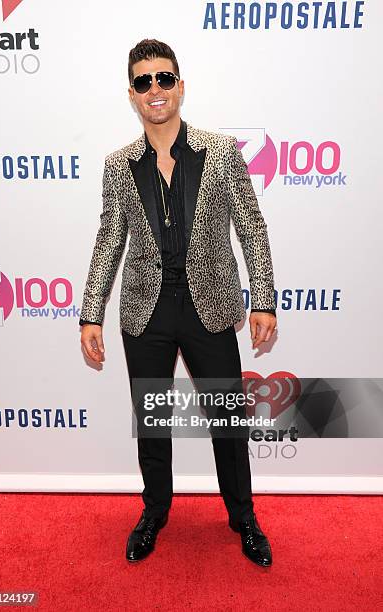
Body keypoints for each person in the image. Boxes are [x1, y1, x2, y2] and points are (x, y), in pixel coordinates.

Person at [79, 38, 277, 567]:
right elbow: (108, 241)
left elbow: (251, 228)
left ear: (180, 87)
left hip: (208, 306)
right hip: (146, 311)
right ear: (132, 95)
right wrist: (90, 312)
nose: (155, 90)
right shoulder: (118, 165)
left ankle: (243, 517)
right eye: (144, 82)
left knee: (228, 422)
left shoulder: (221, 153)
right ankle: (154, 512)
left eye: (163, 79)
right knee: (152, 420)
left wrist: (264, 300)